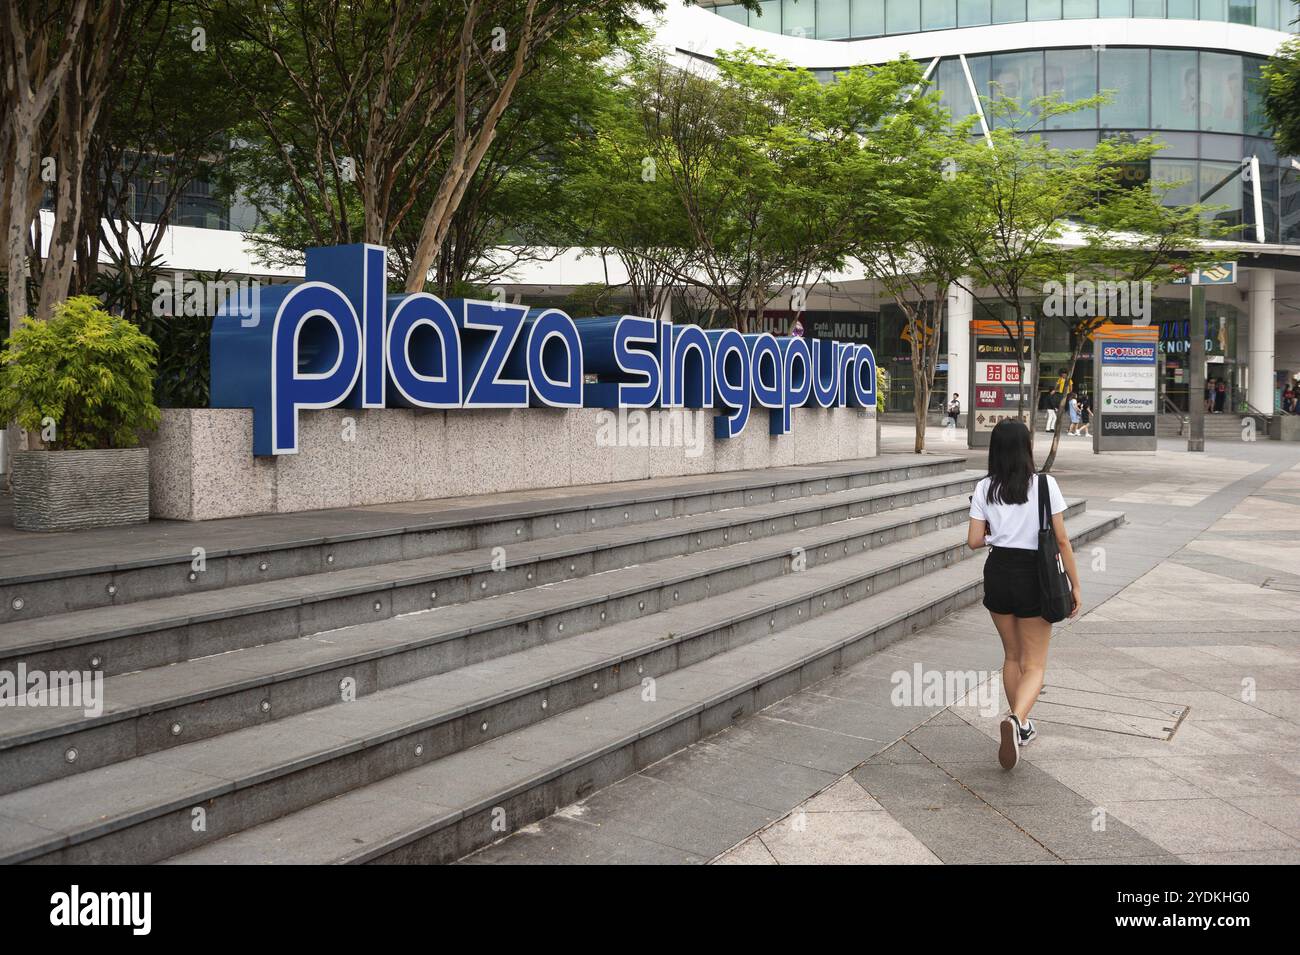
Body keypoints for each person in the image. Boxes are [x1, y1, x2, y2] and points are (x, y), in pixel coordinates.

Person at [967, 419, 1081, 770]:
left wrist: (995, 536)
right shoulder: (1045, 485)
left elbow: (973, 541)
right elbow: (1061, 540)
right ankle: (1016, 719)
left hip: (999, 572)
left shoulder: (985, 487)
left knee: (1012, 656)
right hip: (1036, 575)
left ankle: (1023, 726)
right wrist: (1075, 585)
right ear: (1027, 448)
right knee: (1035, 664)